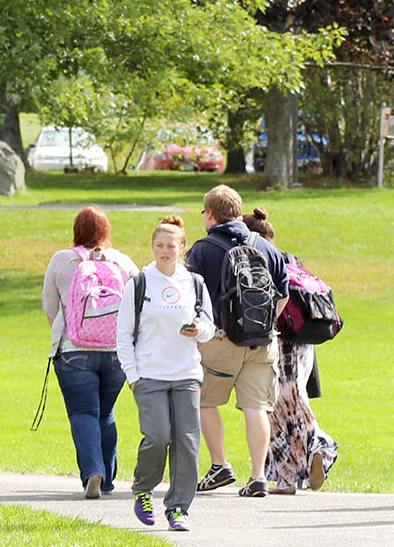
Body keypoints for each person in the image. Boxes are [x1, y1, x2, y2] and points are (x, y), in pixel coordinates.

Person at [185, 185, 290, 498]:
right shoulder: (267, 247)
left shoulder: (202, 249)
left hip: (221, 340)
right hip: (263, 340)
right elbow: (283, 294)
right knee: (256, 407)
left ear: (211, 214)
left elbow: (191, 296)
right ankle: (258, 476)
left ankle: (220, 465)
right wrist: (266, 322)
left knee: (205, 401)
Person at [118, 215, 216, 532]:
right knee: (158, 437)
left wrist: (199, 329)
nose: (164, 251)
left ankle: (178, 507)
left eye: (170, 246)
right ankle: (143, 490)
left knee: (187, 443)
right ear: (152, 247)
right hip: (150, 376)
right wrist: (133, 375)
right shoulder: (139, 283)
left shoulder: (194, 283)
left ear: (181, 248)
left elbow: (210, 328)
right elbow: (123, 336)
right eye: (159, 245)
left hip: (187, 375)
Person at [41, 206, 141, 499]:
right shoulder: (122, 262)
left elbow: (49, 306)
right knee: (106, 412)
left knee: (83, 411)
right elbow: (139, 302)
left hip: (74, 351)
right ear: (107, 231)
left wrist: (69, 330)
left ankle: (92, 471)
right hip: (115, 353)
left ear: (76, 230)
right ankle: (107, 479)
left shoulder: (62, 260)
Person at [240, 209, 339, 494]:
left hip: (278, 341)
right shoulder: (292, 259)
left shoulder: (261, 261)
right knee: (289, 405)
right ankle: (289, 477)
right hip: (304, 343)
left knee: (278, 407)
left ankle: (321, 447)